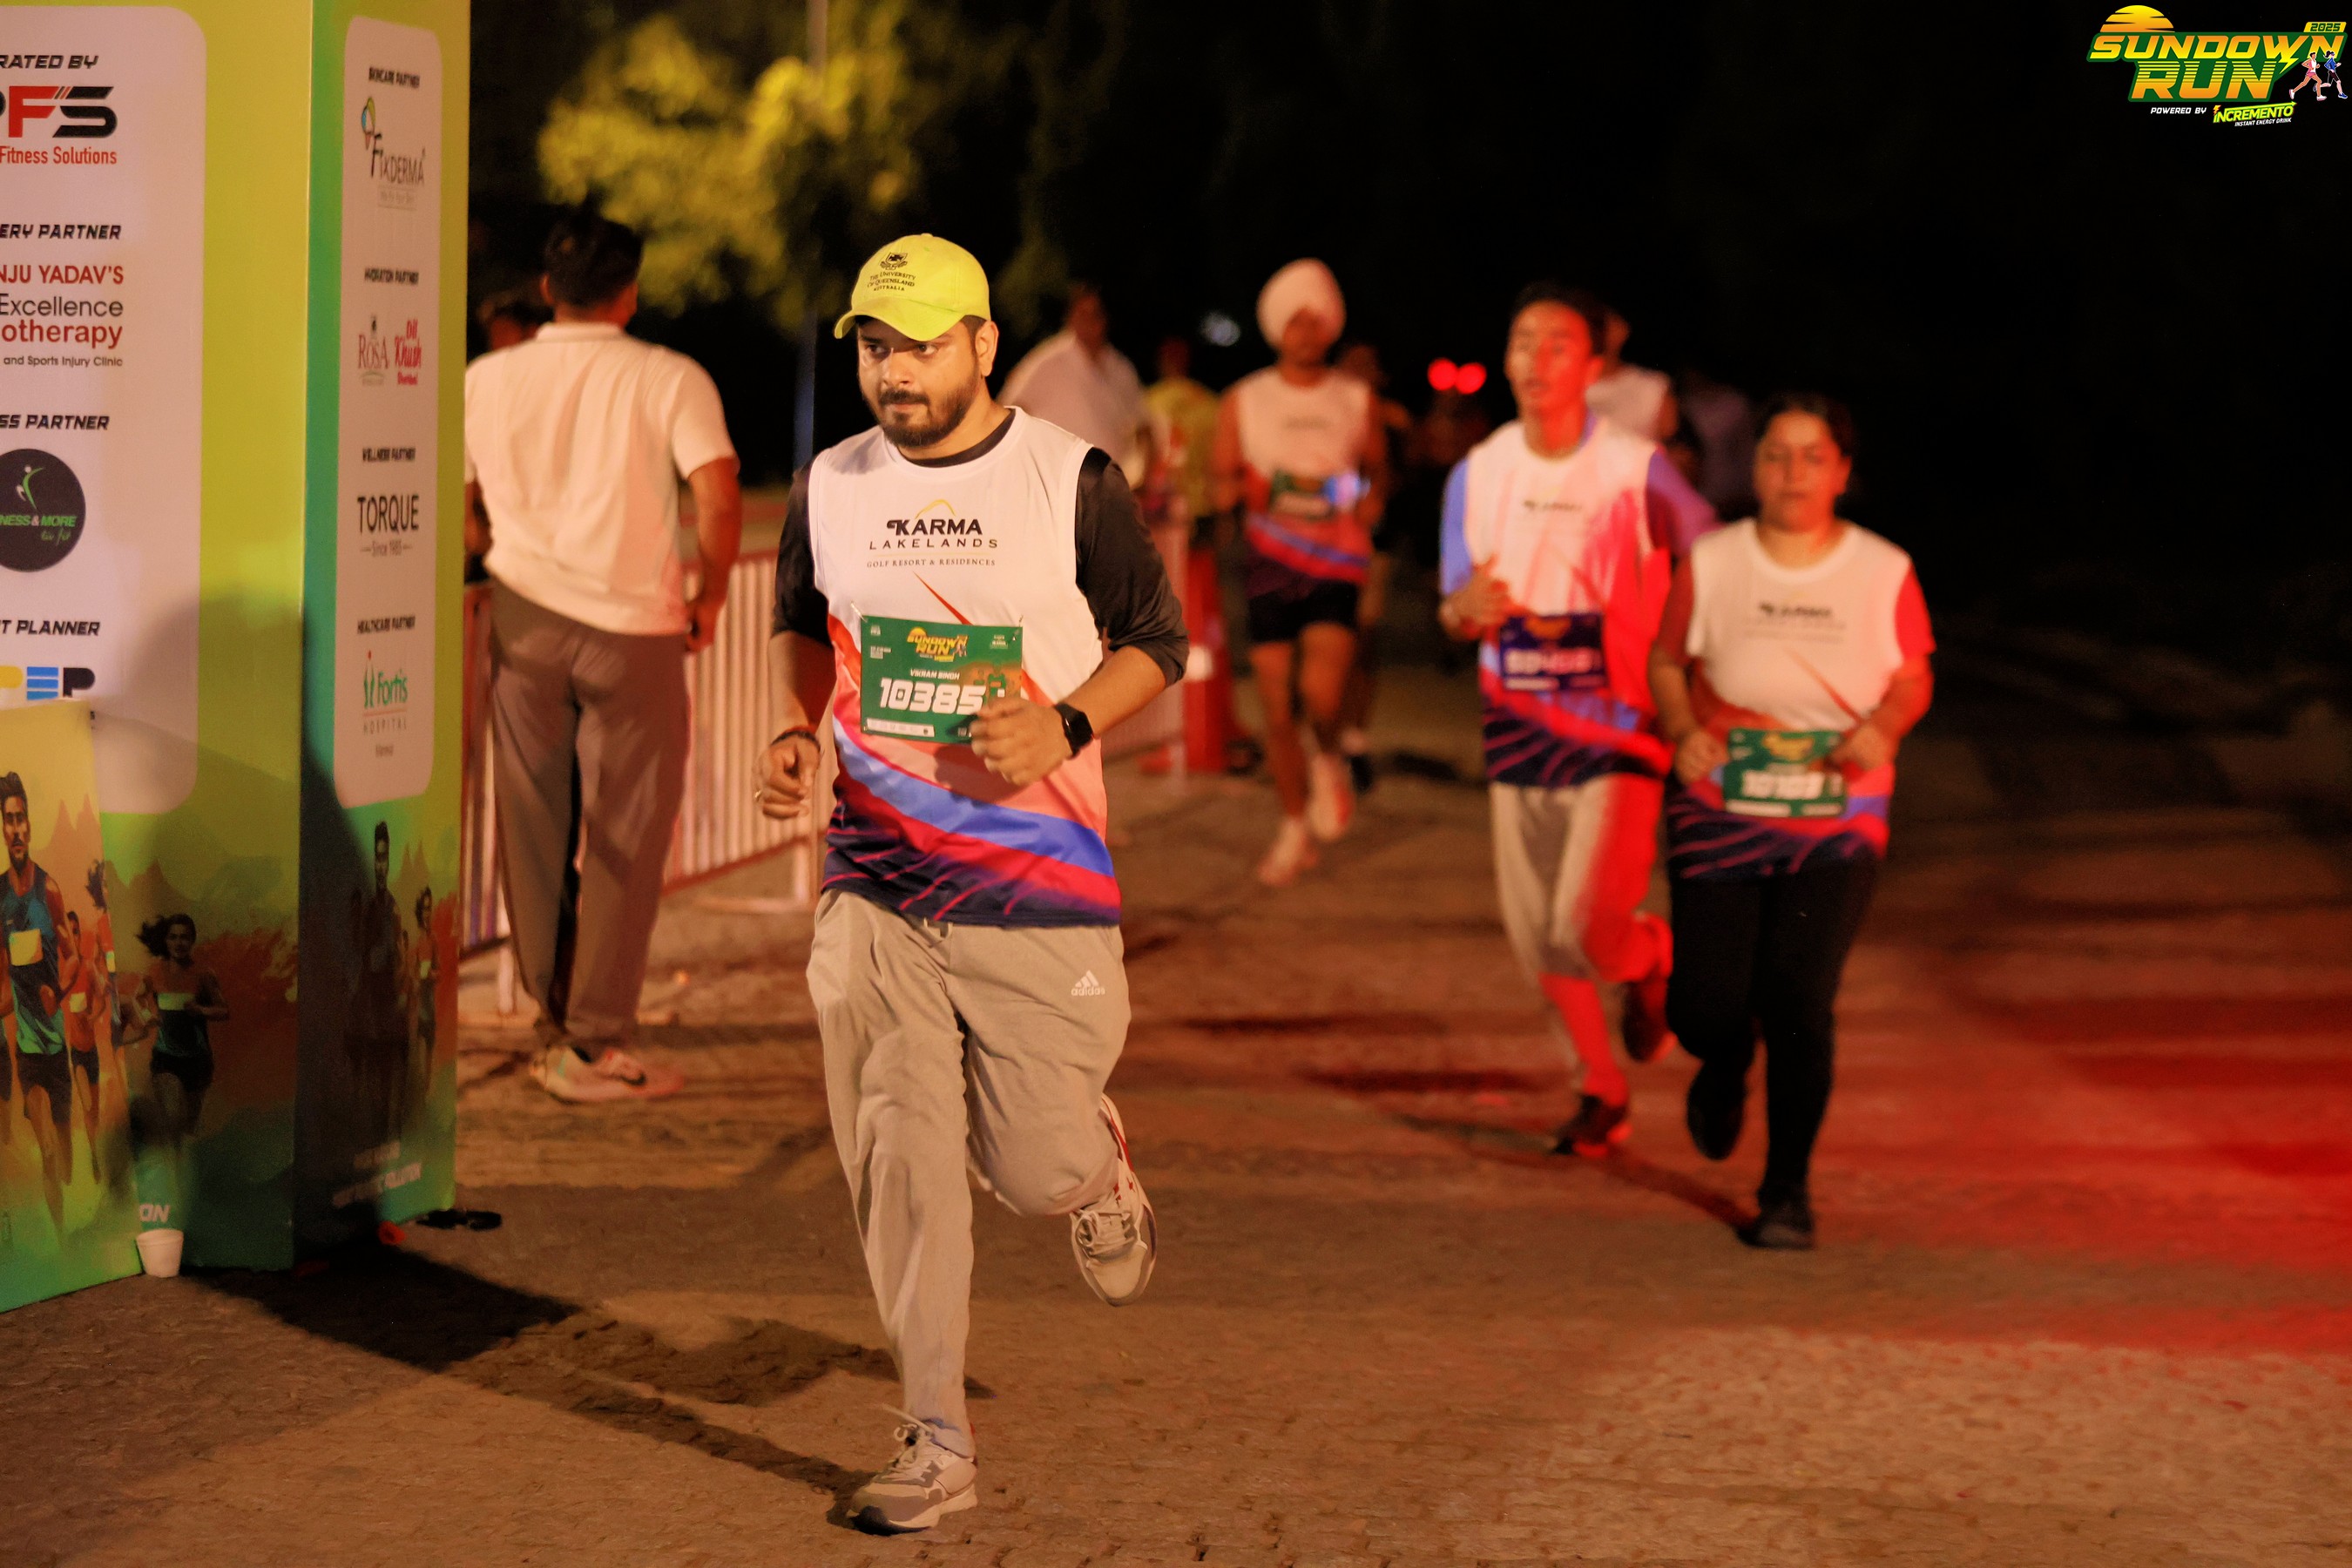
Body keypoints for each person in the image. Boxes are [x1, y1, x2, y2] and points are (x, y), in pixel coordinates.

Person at [755, 234, 1186, 1535]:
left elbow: (1157, 640)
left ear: (985, 344)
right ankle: (934, 1435)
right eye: (876, 348)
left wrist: (1064, 723)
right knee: (899, 1153)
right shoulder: (831, 484)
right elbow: (800, 620)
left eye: (923, 346)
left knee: (1032, 1162)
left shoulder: (1070, 479)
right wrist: (794, 730)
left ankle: (1095, 1176)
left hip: (1035, 875)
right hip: (877, 873)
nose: (895, 373)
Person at [464, 208, 743, 1103]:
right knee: (628, 832)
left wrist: (491, 551)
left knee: (531, 831)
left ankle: (555, 1025)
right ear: (630, 293)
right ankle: (593, 1039)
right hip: (635, 628)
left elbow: (461, 503)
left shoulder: (485, 379)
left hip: (521, 619)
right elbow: (717, 493)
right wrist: (711, 592)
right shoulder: (669, 376)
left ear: (548, 289)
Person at [1649, 392, 1935, 1250]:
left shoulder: (1883, 570)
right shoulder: (1715, 560)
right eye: (1776, 455)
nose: (1793, 473)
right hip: (1720, 807)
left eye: (1814, 457)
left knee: (1801, 1000)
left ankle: (1786, 1192)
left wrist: (1884, 728)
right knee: (1703, 1009)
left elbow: (1912, 678)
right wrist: (1683, 728)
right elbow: (1666, 660)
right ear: (1755, 467)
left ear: (1842, 472)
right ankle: (1725, 1059)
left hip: (1835, 814)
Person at [1438, 285, 1716, 1156]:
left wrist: (1684, 656)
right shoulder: (1479, 470)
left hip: (1621, 727)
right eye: (1524, 341)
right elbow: (1452, 600)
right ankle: (1598, 1087)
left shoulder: (1636, 467)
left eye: (1559, 344)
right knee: (1537, 938)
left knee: (1585, 924)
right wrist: (1462, 609)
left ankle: (1652, 955)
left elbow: (1712, 558)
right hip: (1518, 727)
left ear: (1594, 365)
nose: (1537, 358)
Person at [1212, 260, 1390, 884]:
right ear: (1276, 327)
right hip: (1270, 560)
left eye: (1317, 321)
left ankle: (1329, 756)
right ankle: (1293, 826)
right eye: (1296, 321)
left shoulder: (1355, 398)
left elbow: (1377, 473)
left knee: (1320, 695)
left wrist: (1366, 500)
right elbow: (1221, 476)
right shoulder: (1246, 398)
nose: (1307, 332)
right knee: (1274, 707)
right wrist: (1240, 490)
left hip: (1336, 561)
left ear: (1332, 326)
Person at [1335, 341, 1415, 794]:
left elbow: (1400, 480)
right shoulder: (1323, 413)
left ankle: (1354, 739)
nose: (1359, 373)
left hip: (1372, 544)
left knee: (1362, 638)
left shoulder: (1391, 419)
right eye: (1351, 364)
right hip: (1321, 544)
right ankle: (1325, 738)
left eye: (1368, 366)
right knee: (1325, 643)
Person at [1, 773, 80, 1228]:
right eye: (8, 820)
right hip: (28, 1053)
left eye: (21, 819)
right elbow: (3, 980)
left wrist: (59, 992)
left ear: (30, 825)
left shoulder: (47, 890)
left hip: (56, 1048)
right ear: (2, 828)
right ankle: (64, 1241)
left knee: (65, 1156)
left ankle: (71, 1184)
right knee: (47, 1150)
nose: (16, 829)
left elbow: (72, 956)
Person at [999, 282, 1152, 485]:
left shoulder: (1120, 368)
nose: (1088, 322)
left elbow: (1143, 425)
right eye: (1082, 314)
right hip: (1057, 483)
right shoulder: (1048, 362)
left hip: (1109, 485)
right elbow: (1007, 412)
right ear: (1070, 317)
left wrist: (1141, 477)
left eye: (1095, 314)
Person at [134, 912, 226, 1148]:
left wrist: (200, 1010)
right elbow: (138, 999)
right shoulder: (155, 972)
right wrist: (148, 1016)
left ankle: (184, 1159)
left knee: (189, 1126)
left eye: (184, 937)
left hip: (197, 1060)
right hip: (166, 1058)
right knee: (172, 1117)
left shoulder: (203, 975)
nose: (179, 943)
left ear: (192, 940)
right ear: (166, 941)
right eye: (173, 937)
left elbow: (223, 1010)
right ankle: (173, 1160)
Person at [1585, 307, 1675, 443]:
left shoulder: (1653, 387)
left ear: (1623, 330)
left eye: (1604, 325)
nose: (1598, 333)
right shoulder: (1562, 386)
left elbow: (1672, 445)